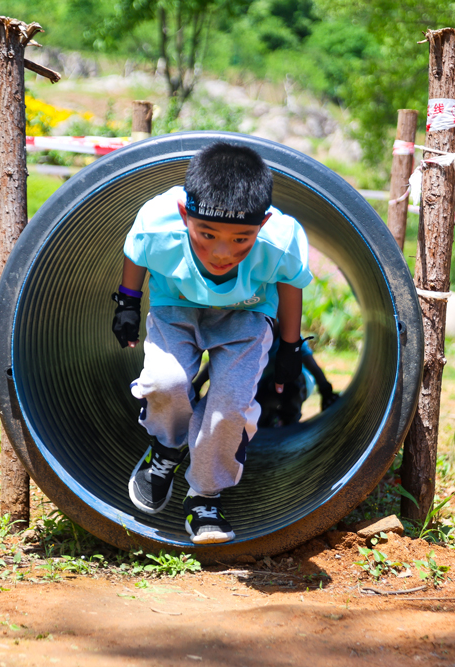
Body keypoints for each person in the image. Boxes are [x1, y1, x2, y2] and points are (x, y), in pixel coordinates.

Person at [112, 142, 313, 544]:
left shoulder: (281, 239)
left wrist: (290, 348)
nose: (222, 252)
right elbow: (136, 253)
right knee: (165, 381)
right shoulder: (157, 223)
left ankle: (205, 494)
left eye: (242, 239)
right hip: (176, 305)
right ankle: (167, 449)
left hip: (247, 314)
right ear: (185, 216)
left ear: (264, 223)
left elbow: (291, 286)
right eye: (207, 235)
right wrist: (128, 303)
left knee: (230, 405)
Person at [192, 321, 340, 429]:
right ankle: (269, 418)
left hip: (294, 384)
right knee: (256, 415)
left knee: (290, 373)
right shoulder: (250, 335)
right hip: (264, 388)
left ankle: (289, 421)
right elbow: (221, 360)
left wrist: (326, 390)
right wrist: (197, 385)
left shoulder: (288, 335)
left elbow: (310, 363)